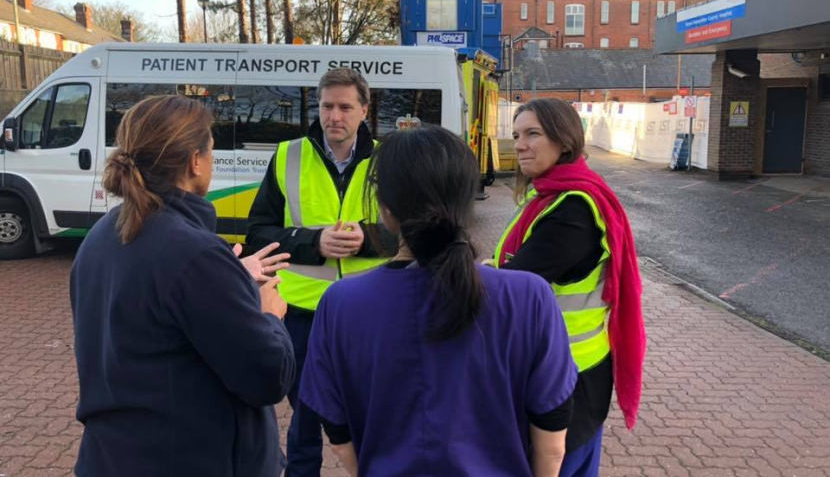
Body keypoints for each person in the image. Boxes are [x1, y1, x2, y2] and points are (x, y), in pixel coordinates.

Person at [300, 126, 578, 477]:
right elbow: (551, 438)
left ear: (385, 208)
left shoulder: (340, 303)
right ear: (465, 202)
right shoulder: (529, 296)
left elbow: (338, 432)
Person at [70, 95, 296, 477]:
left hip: (113, 457)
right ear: (195, 161)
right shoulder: (194, 254)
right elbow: (266, 377)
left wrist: (232, 279)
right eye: (211, 149)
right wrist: (267, 315)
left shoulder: (103, 233)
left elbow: (155, 309)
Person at [246, 67, 394, 476]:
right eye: (327, 106)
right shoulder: (288, 156)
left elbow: (413, 231)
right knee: (306, 417)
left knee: (370, 414)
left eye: (345, 107)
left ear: (364, 110)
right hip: (302, 313)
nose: (334, 116)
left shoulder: (389, 160)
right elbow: (258, 233)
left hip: (368, 312)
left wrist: (367, 239)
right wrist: (314, 242)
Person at [493, 98, 646, 477]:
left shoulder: (573, 209)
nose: (520, 145)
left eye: (532, 134)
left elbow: (513, 284)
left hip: (569, 376)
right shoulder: (552, 195)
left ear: (563, 141)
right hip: (562, 368)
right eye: (516, 135)